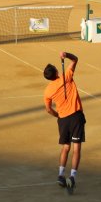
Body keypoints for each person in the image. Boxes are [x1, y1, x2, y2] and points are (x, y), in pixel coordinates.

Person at [43, 52, 86, 192]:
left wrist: (59, 116)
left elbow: (48, 110)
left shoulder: (47, 91)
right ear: (56, 71)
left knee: (65, 148)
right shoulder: (66, 76)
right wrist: (66, 54)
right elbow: (76, 59)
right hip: (76, 117)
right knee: (76, 148)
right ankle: (72, 177)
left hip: (63, 120)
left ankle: (60, 175)